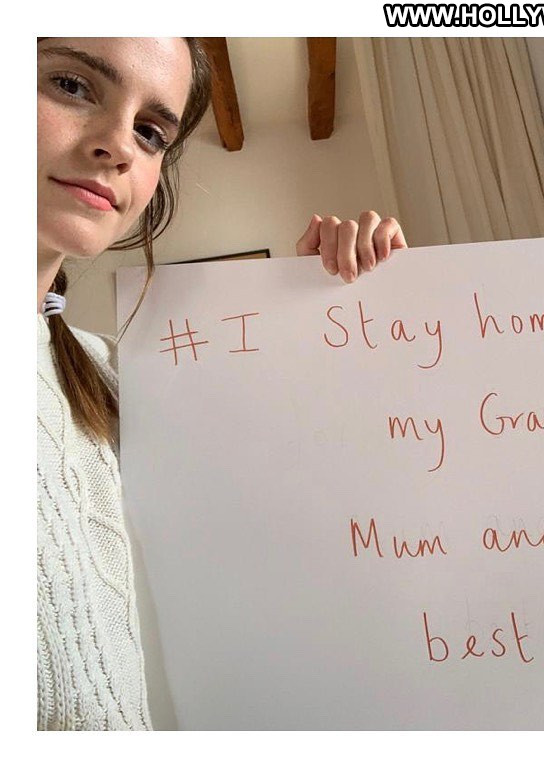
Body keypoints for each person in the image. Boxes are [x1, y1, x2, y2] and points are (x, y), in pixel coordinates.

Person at [37, 37, 408, 731]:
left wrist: (330, 323)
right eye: (72, 86)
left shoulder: (116, 378)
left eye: (152, 133)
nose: (119, 147)